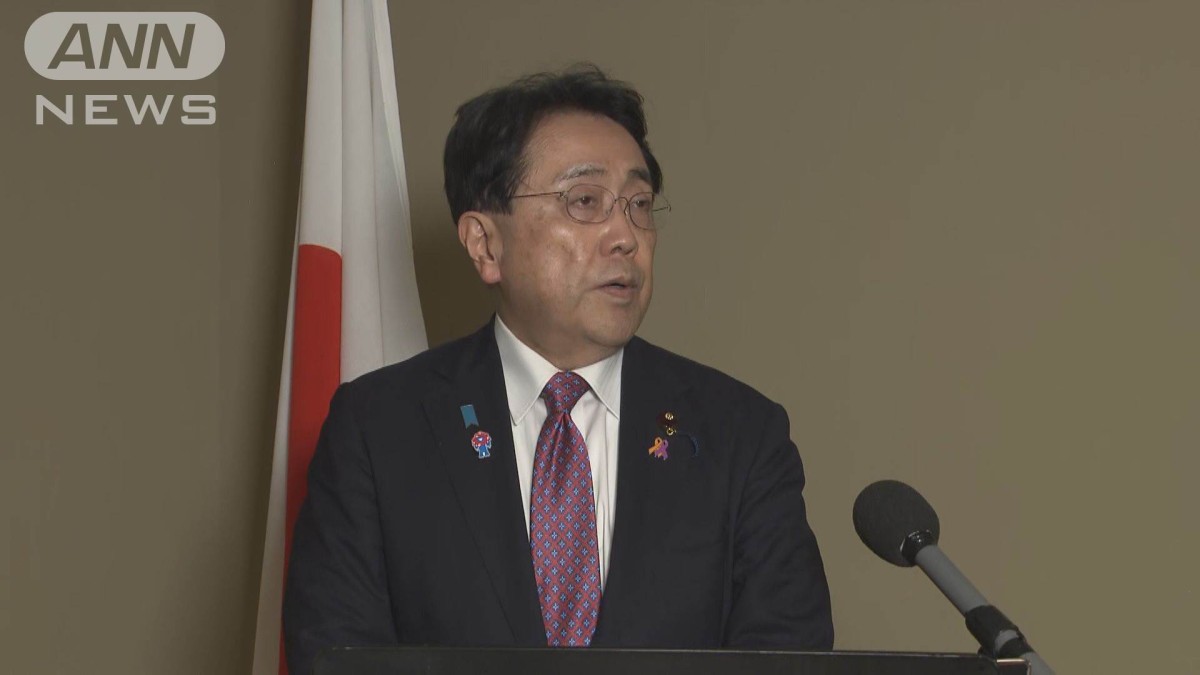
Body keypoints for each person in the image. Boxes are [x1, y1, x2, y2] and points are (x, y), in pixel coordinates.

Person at [283, 65, 833, 674]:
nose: (626, 236)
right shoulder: (379, 429)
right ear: (485, 244)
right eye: (585, 201)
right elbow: (335, 654)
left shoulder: (741, 434)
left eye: (639, 204)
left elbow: (790, 658)